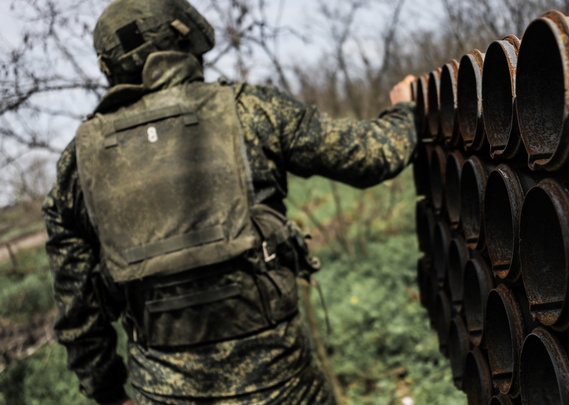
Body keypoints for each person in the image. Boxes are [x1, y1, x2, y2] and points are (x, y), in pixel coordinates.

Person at [41, 0, 417, 404]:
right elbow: (371, 156)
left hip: (164, 392)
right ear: (183, 38)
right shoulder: (249, 110)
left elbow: (78, 312)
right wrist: (406, 109)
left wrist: (110, 394)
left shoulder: (76, 166)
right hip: (280, 385)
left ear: (110, 65)